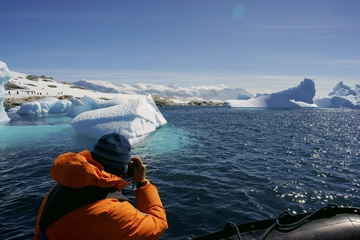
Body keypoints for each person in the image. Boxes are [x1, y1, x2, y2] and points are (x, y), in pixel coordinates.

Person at [34, 133, 168, 240]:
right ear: (124, 169)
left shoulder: (63, 185)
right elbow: (158, 224)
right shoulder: (111, 211)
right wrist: (143, 183)